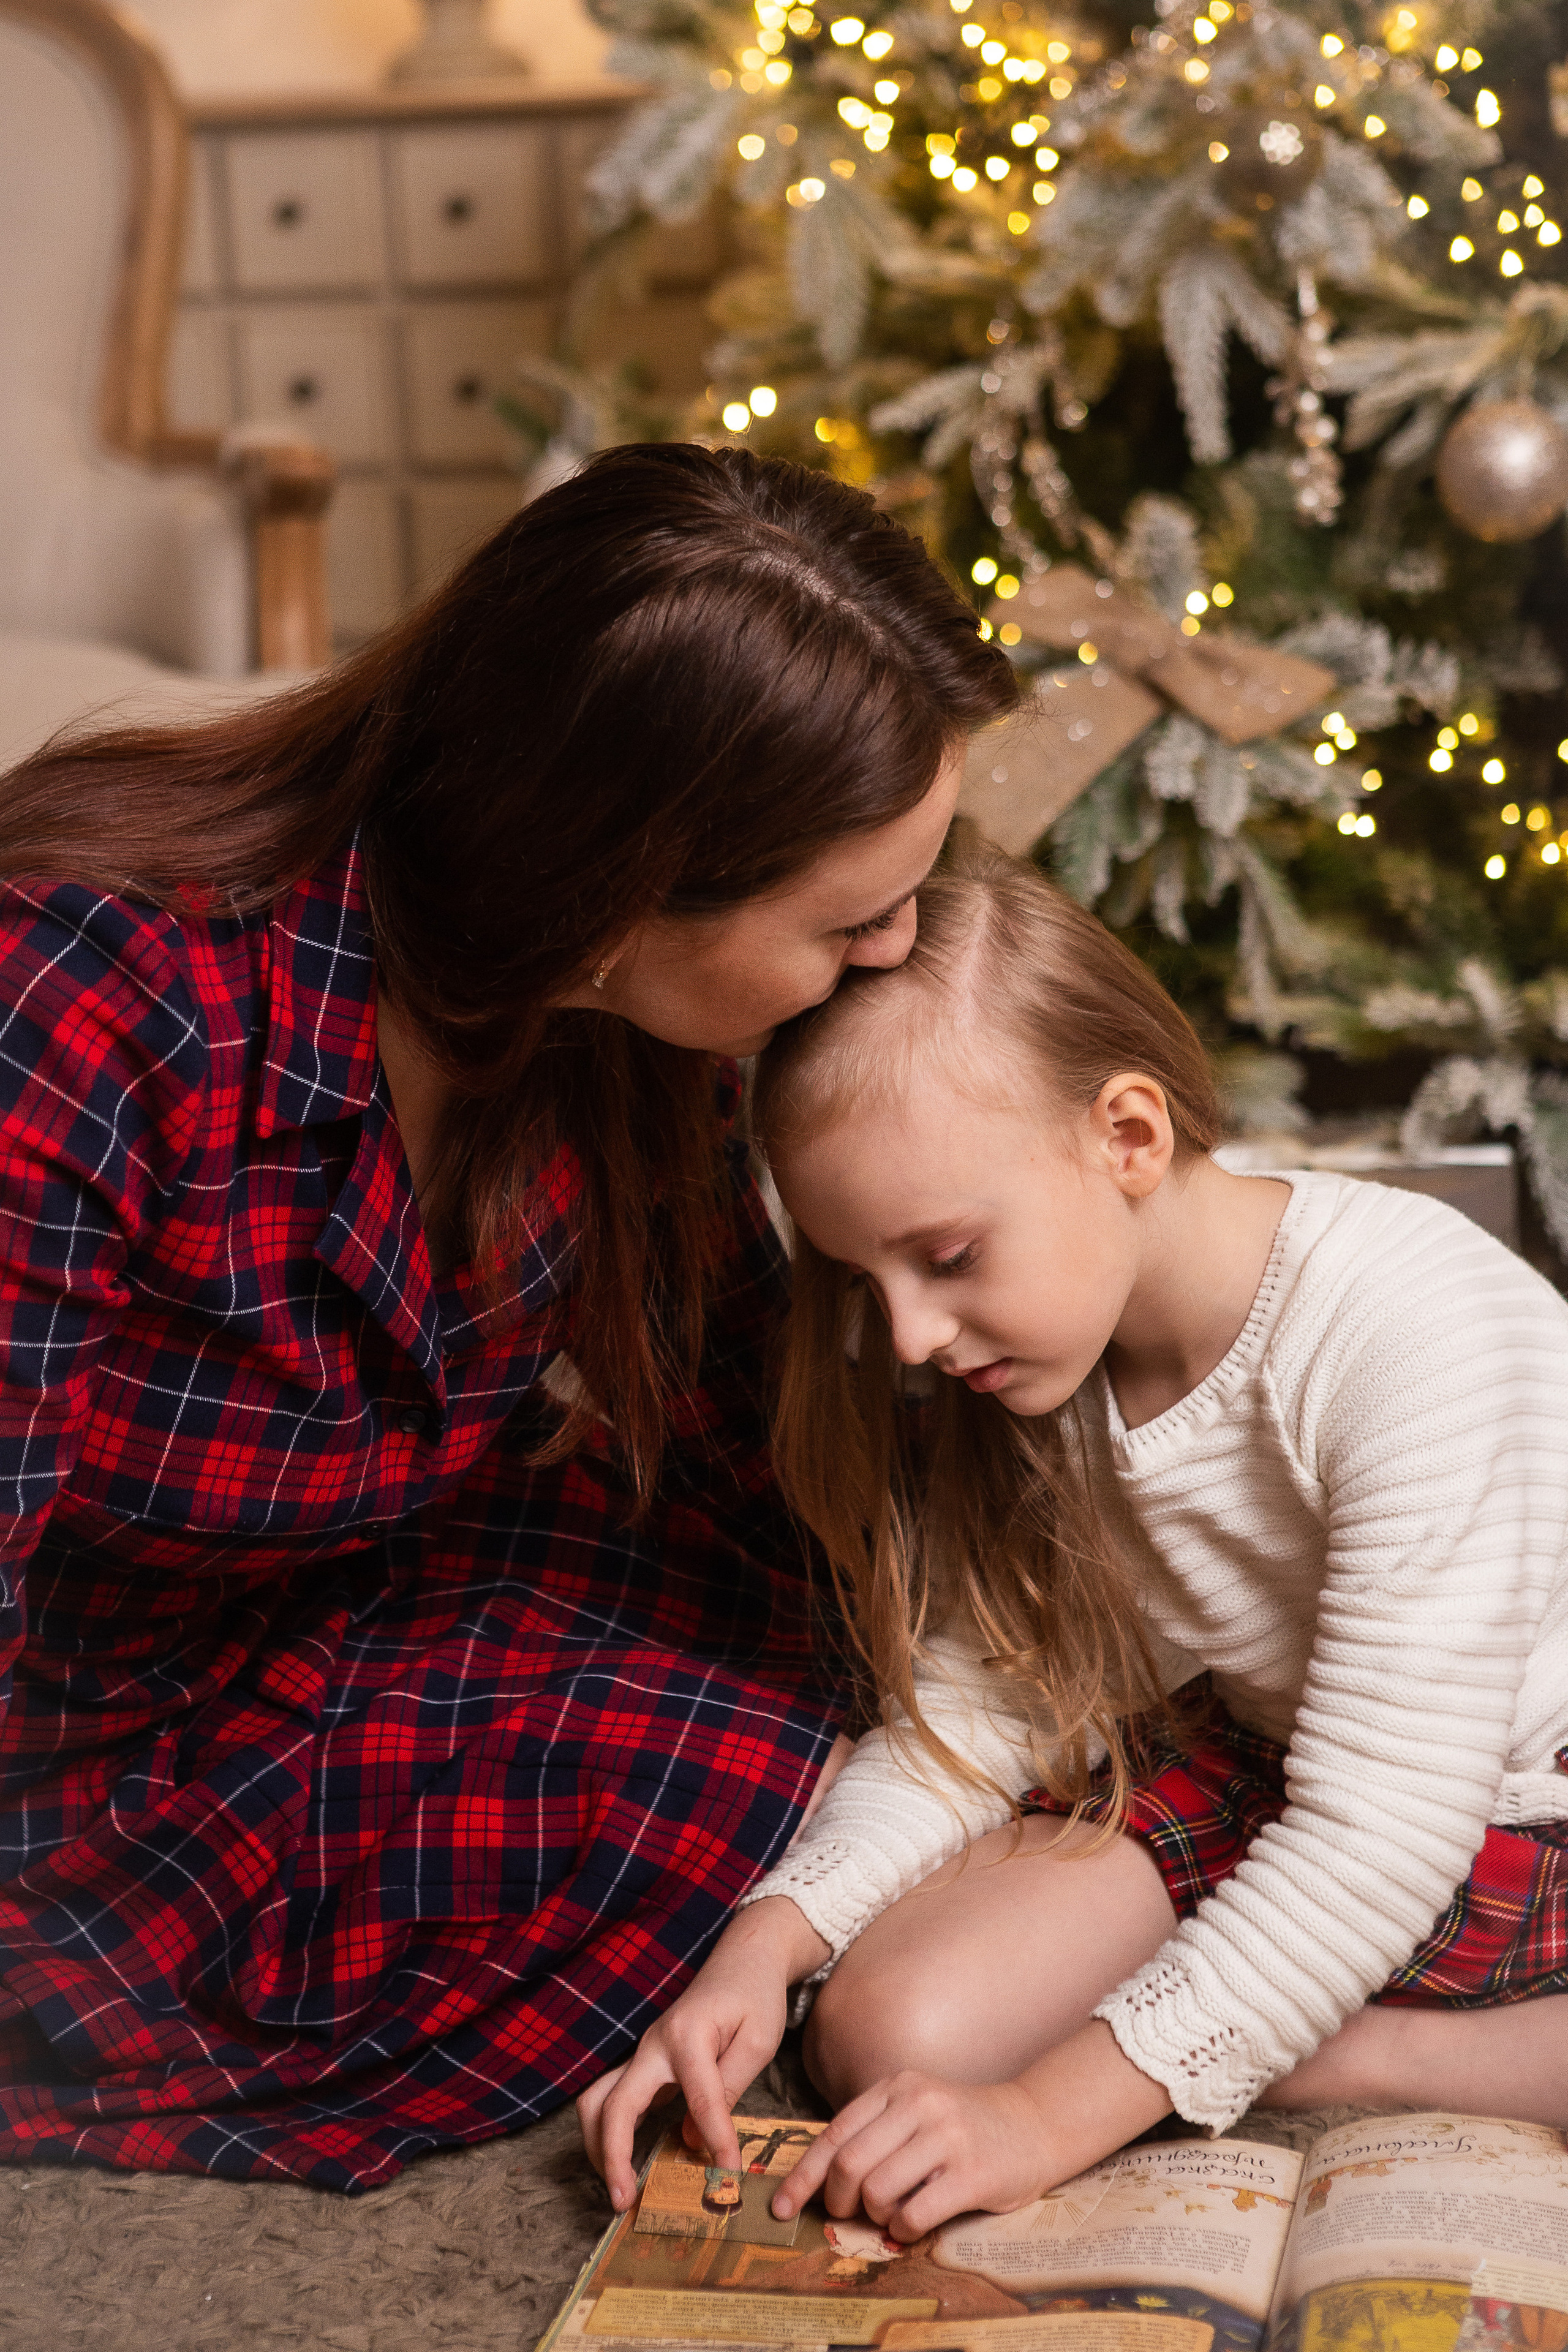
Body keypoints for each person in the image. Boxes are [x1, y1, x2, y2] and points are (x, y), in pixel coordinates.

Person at [0, 444, 1017, 2188]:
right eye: (852, 917)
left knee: (819, 1687)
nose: (898, 951)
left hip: (333, 1592)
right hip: (75, 1763)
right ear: (624, 884)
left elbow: (747, 1451)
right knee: (722, 1773)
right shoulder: (81, 1002)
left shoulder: (628, 1039)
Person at [580, 837, 1568, 2241]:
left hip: (1514, 1793)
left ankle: (1389, 2048)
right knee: (888, 2031)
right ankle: (1269, 2010)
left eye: (947, 1258)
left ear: (1126, 1137)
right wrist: (765, 1944)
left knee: (1073, 2059)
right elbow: (976, 1708)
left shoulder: (1410, 1331)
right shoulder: (1053, 1352)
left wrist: (1044, 2119)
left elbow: (1375, 1836)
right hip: (1282, 1750)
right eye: (872, 1282)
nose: (913, 1340)